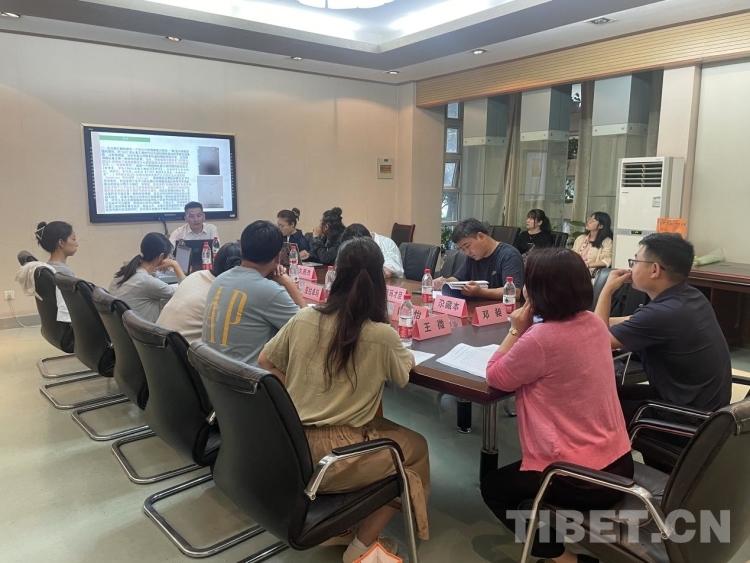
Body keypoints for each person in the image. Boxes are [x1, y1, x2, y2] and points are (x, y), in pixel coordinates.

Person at [258, 237, 429, 563]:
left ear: (335, 274)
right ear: (380, 280)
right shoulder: (381, 334)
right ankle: (362, 546)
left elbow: (266, 361)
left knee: (385, 430)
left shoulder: (305, 317)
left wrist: (298, 394)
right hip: (336, 458)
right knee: (416, 449)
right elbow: (403, 375)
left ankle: (340, 528)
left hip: (290, 443)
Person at [481, 248, 633, 563]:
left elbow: (495, 376)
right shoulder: (593, 322)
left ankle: (566, 560)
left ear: (537, 291)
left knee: (494, 488)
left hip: (578, 479)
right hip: (620, 462)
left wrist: (515, 329)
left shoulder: (540, 339)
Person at [595, 233, 732, 426]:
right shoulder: (691, 297)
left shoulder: (663, 313)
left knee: (596, 406)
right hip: (704, 410)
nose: (631, 268)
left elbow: (597, 339)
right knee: (607, 395)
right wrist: (584, 321)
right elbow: (633, 321)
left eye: (635, 261)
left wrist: (607, 290)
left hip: (685, 418)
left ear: (655, 269)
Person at [202, 220, 307, 368]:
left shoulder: (220, 279)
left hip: (214, 373)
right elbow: (307, 329)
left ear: (241, 251)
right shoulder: (268, 290)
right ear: (278, 257)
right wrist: (288, 283)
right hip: (247, 378)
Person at [157, 243, 242, 344]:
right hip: (180, 349)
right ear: (236, 267)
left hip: (158, 343)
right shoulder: (222, 292)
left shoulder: (197, 274)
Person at [432, 218, 524, 299]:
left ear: (481, 237)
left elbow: (514, 292)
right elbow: (458, 278)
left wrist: (481, 292)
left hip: (501, 310)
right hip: (476, 308)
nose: (467, 252)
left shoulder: (509, 255)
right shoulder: (473, 257)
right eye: (463, 249)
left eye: (467, 246)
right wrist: (445, 282)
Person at [108, 233, 186, 323]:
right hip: (140, 330)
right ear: (161, 256)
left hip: (123, 327)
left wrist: (155, 268)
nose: (170, 259)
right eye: (169, 256)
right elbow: (186, 293)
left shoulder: (125, 271)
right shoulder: (147, 282)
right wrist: (175, 265)